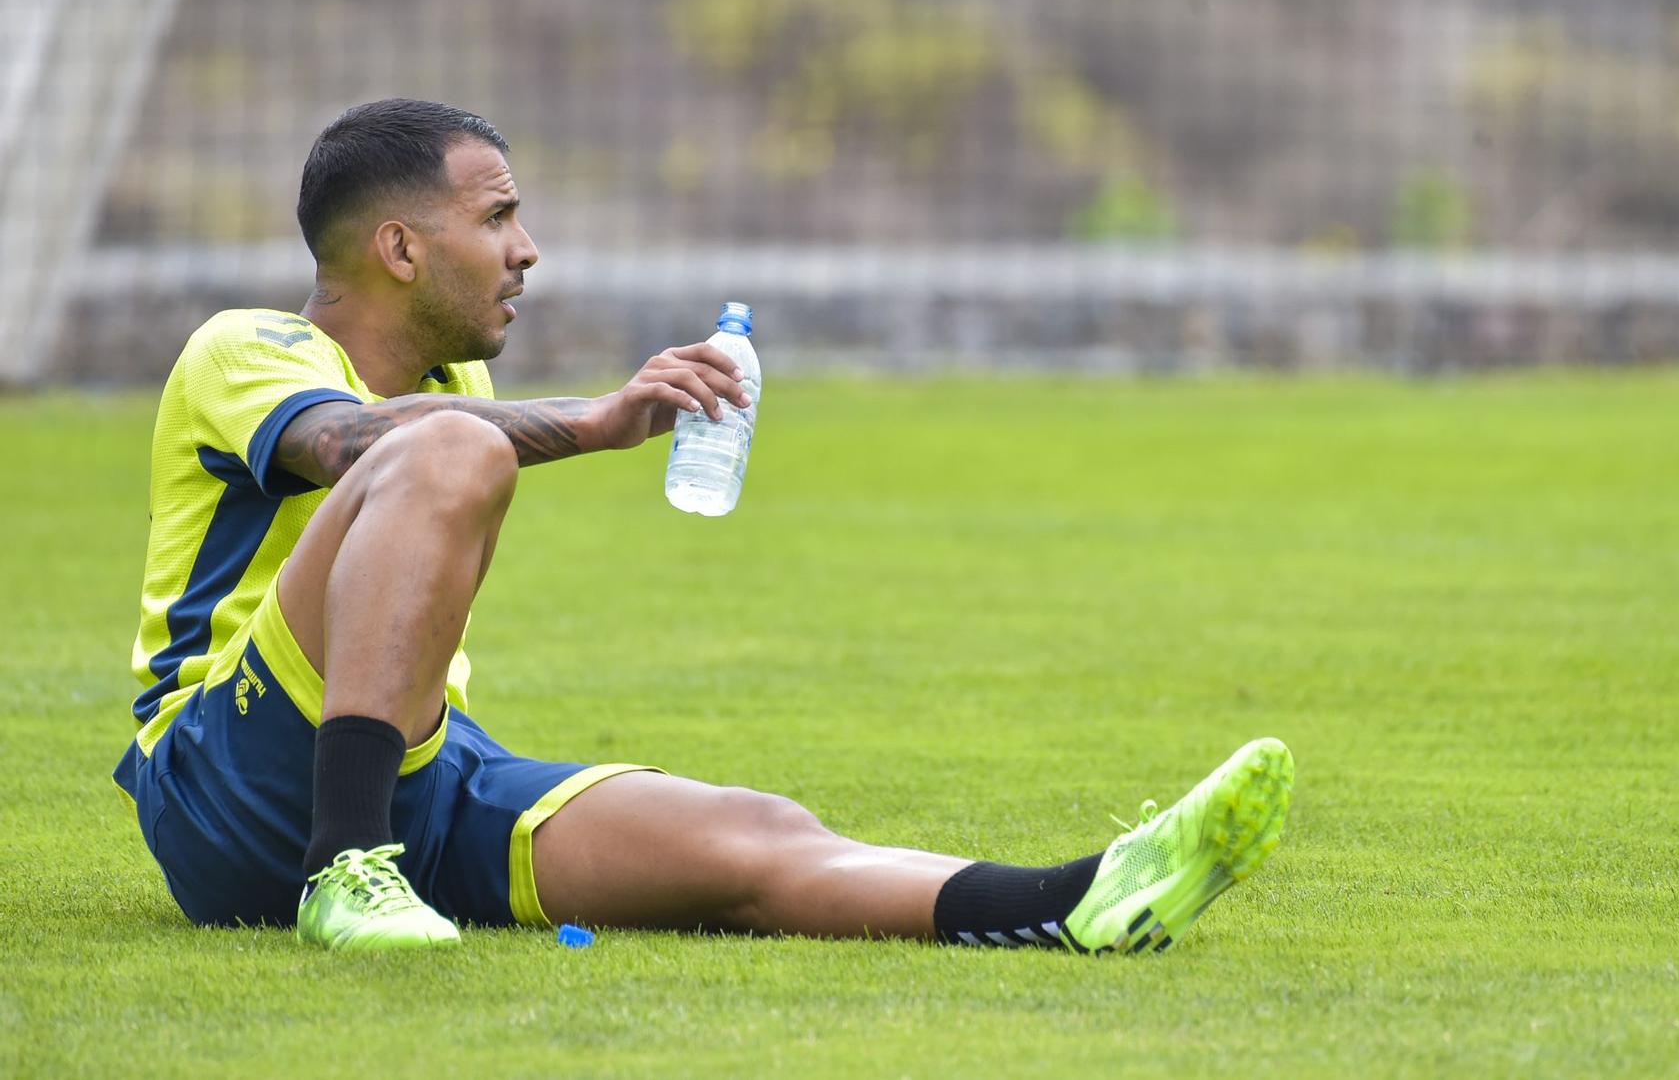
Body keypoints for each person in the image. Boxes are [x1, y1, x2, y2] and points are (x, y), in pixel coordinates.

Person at [113, 98, 1294, 952]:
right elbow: (347, 442)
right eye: (500, 216)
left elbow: (419, 437)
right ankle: (343, 868)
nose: (527, 248)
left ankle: (1077, 898)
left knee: (749, 836)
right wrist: (593, 419)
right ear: (401, 246)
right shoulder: (251, 347)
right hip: (224, 777)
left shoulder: (455, 394)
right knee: (451, 445)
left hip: (422, 769)